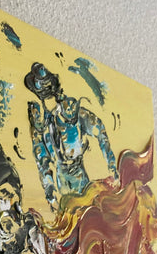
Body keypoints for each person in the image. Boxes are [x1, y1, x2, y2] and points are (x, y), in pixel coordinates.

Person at [25, 63, 118, 209]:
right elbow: (41, 158)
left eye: (48, 89)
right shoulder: (40, 124)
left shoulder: (72, 112)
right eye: (41, 92)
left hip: (79, 175)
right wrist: (49, 189)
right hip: (61, 179)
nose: (47, 97)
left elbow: (99, 130)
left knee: (88, 209)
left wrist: (112, 165)